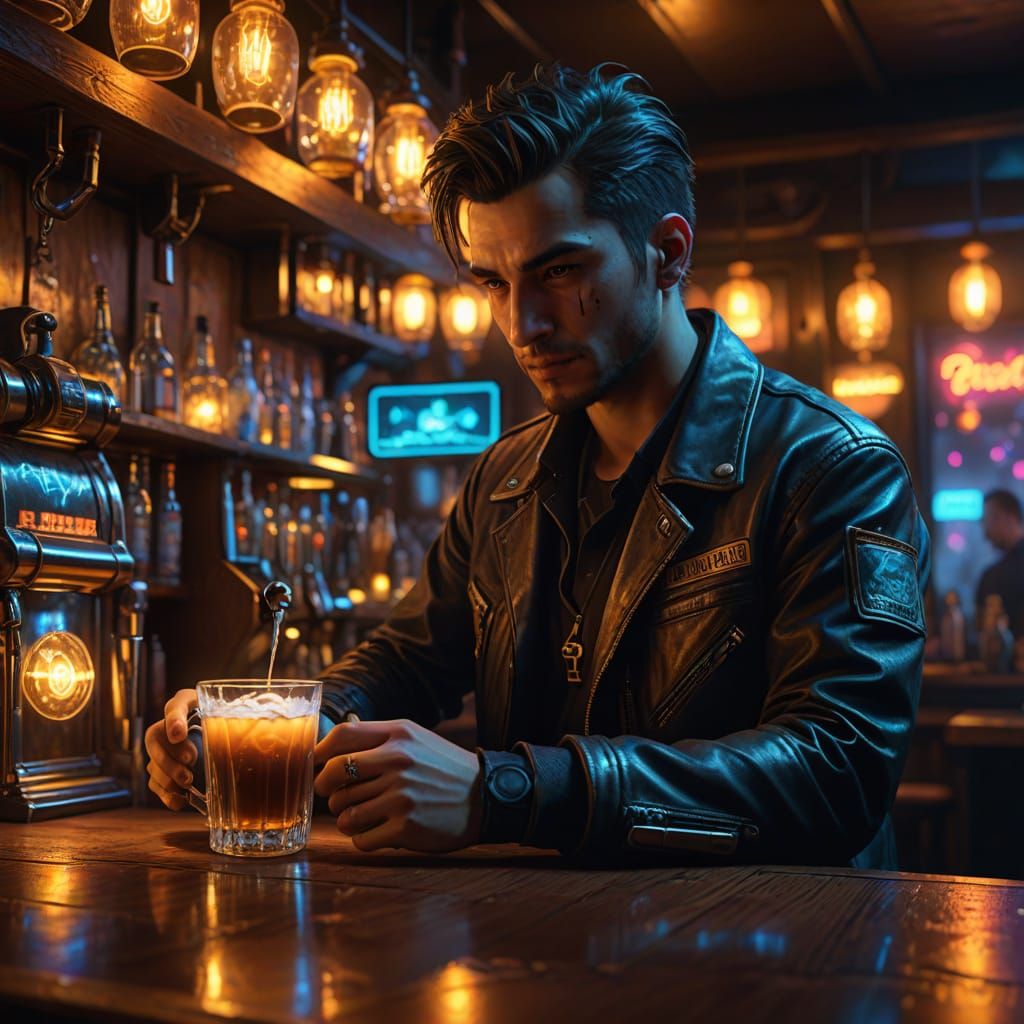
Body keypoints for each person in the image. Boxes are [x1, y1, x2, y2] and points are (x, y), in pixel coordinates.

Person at [145, 64, 930, 868]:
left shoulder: (832, 464)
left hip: (776, 961)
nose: (520, 324)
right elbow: (412, 658)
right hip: (543, 953)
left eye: (560, 272)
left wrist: (508, 792)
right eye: (493, 280)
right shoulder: (505, 479)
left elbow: (841, 770)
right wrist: (280, 724)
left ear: (666, 253)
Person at [975, 489, 1024, 637]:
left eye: (987, 521)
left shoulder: (992, 577)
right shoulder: (992, 574)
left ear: (1008, 517)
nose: (985, 533)